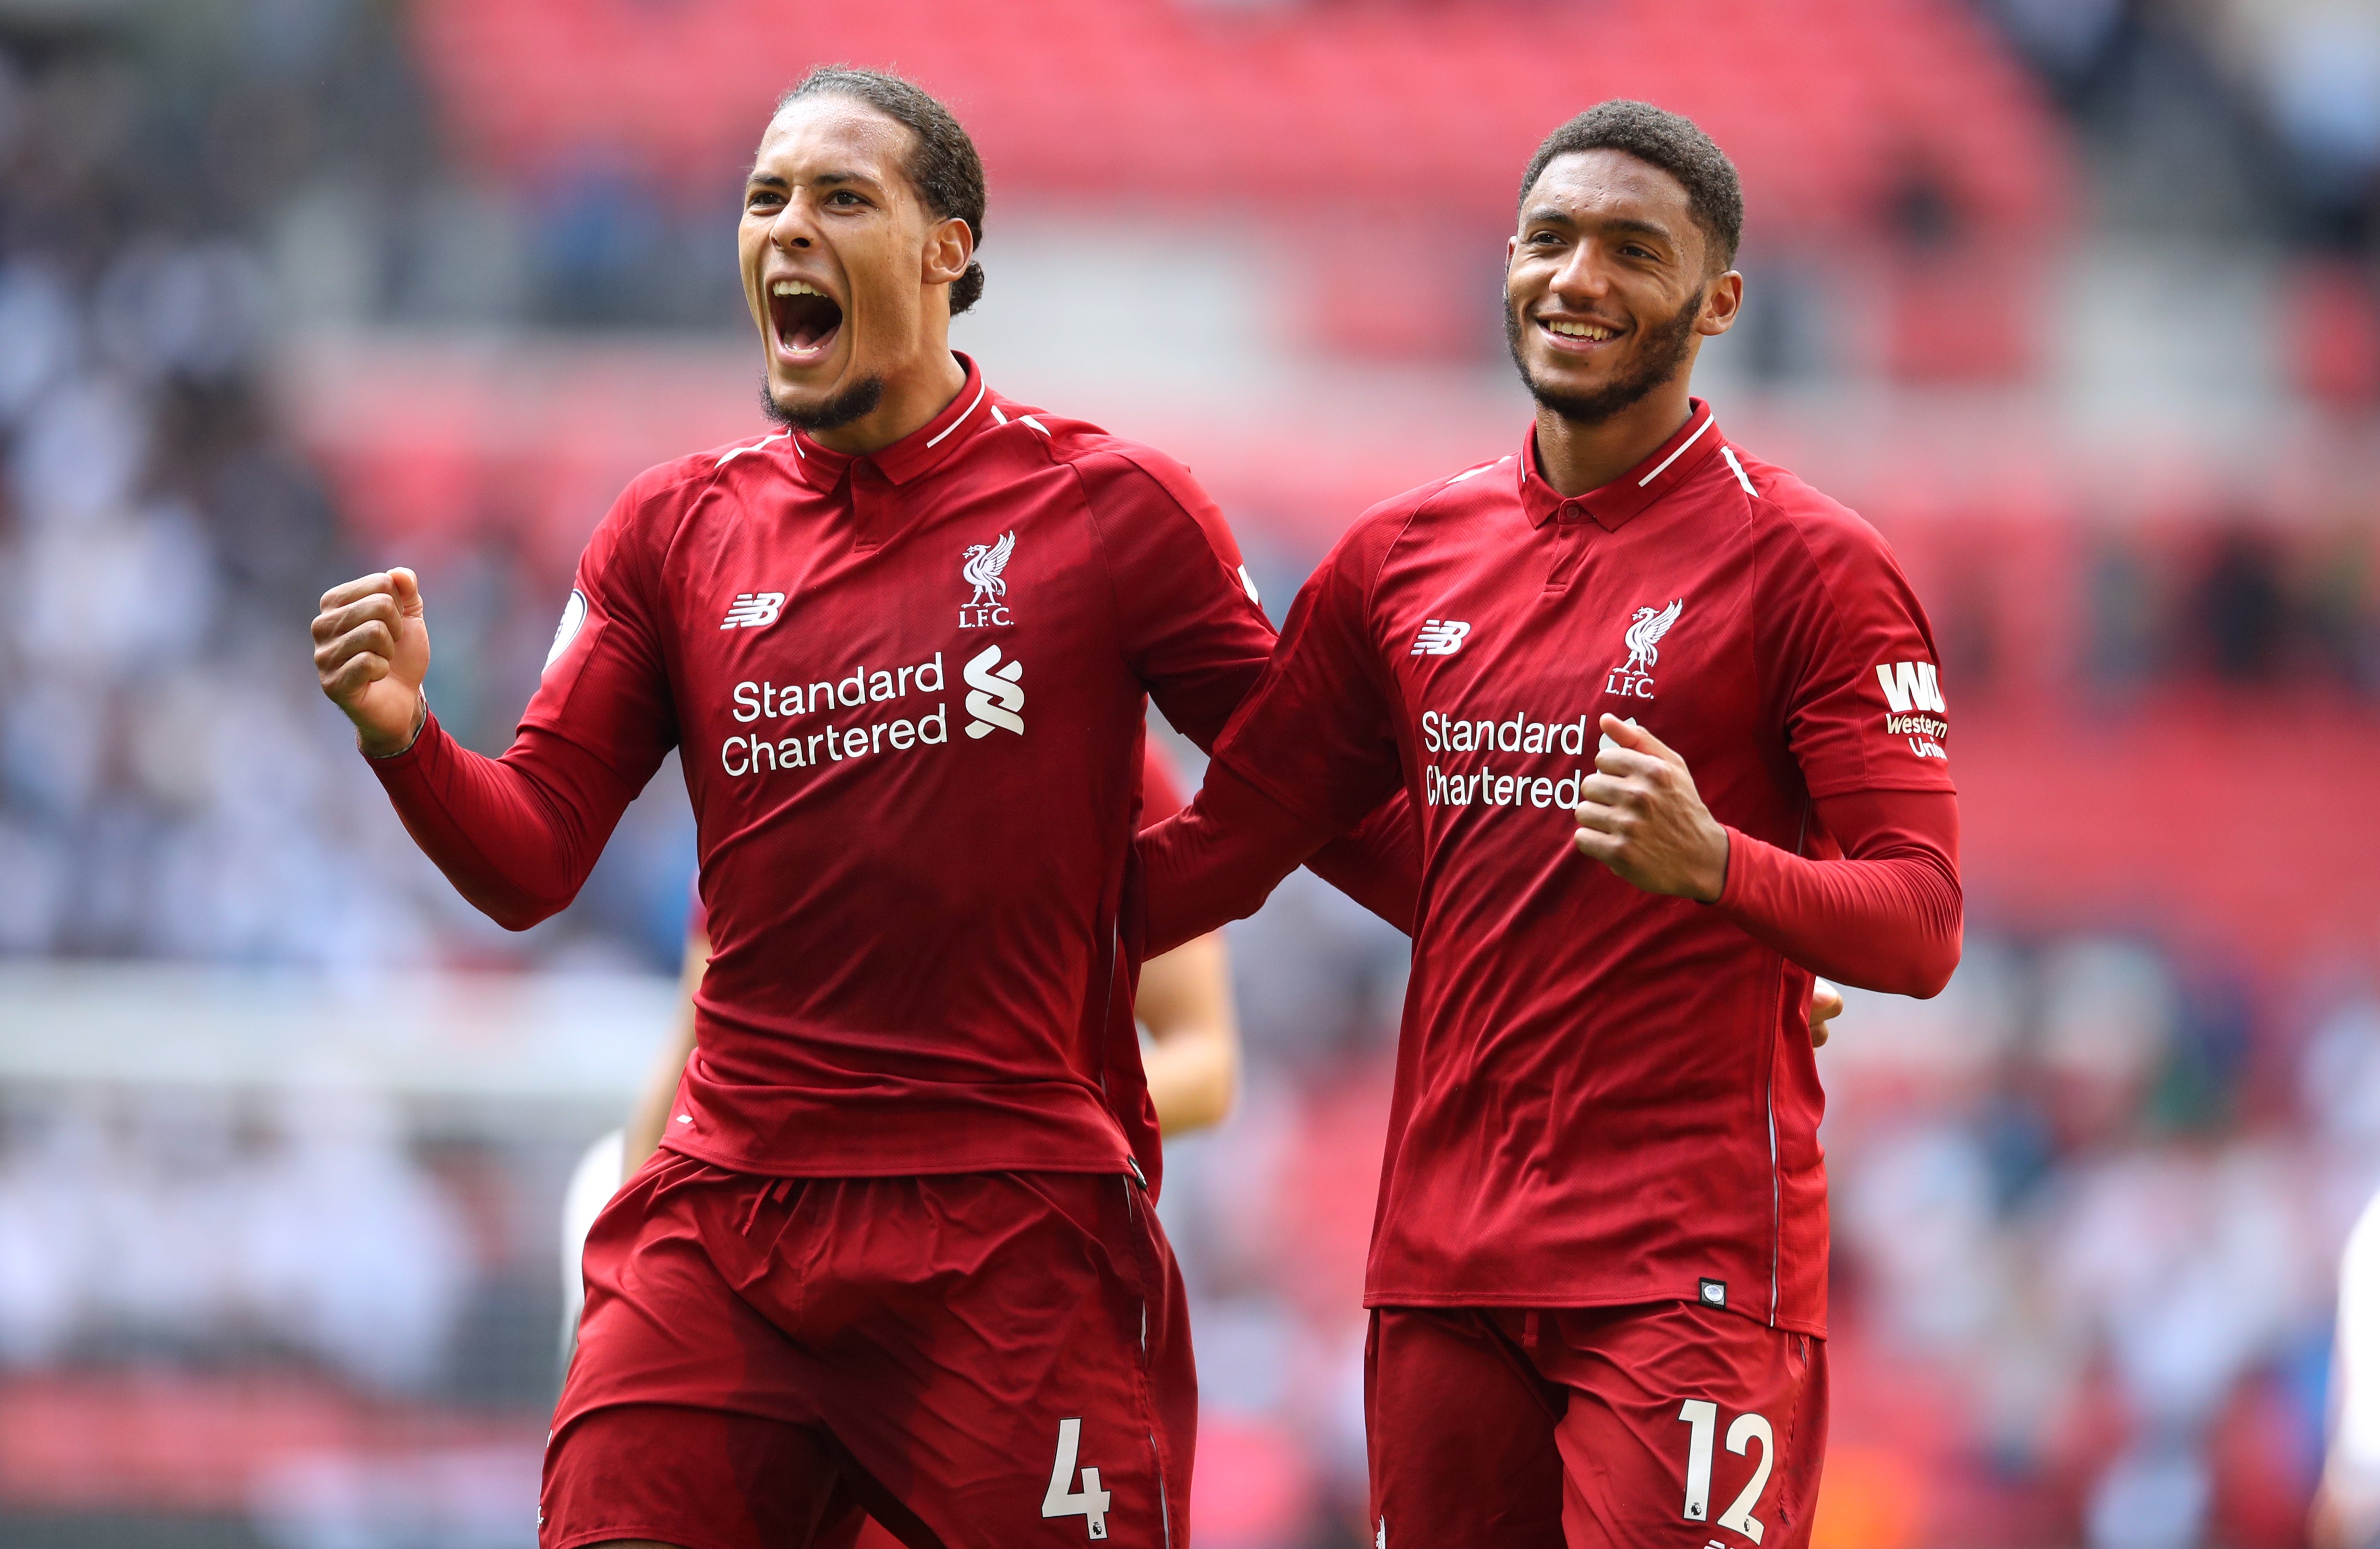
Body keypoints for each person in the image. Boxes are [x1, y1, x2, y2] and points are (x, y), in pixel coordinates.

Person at [311, 67, 1405, 1549]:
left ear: (950, 247)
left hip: (1009, 1238)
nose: (787, 230)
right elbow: (531, 861)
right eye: (765, 198)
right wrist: (405, 739)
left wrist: (1658, 924)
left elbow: (1327, 800)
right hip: (726, 1225)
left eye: (840, 196)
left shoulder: (1111, 514)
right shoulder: (670, 531)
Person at [1135, 101, 1961, 1549]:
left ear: (1718, 300)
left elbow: (1920, 921)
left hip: (1686, 1272)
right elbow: (1245, 835)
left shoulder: (1817, 569)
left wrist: (1720, 869)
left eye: (1631, 249)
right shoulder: (1398, 558)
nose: (1577, 277)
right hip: (1442, 1271)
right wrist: (972, 895)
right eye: (1549, 239)